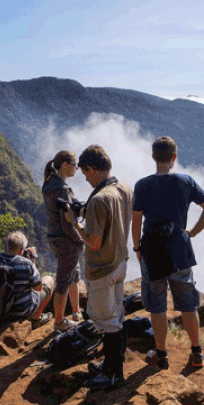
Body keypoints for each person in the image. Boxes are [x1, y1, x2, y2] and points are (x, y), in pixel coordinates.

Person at [132, 137, 204, 369]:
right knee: (188, 304)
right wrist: (193, 232)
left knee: (157, 306)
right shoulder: (186, 181)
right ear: (174, 158)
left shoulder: (142, 185)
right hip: (180, 249)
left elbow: (136, 220)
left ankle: (162, 356)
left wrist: (137, 248)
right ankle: (197, 353)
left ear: (153, 157)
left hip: (152, 250)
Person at [65, 145, 133, 390]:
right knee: (117, 318)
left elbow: (93, 242)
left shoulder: (100, 199)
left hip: (102, 268)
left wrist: (75, 223)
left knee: (108, 323)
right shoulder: (124, 189)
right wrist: (85, 209)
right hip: (120, 262)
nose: (85, 177)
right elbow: (114, 219)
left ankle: (113, 374)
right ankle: (109, 366)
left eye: (85, 173)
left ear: (92, 169)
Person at [42, 150, 85, 332]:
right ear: (66, 166)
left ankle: (75, 312)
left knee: (72, 273)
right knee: (63, 280)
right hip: (66, 238)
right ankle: (59, 323)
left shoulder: (49, 183)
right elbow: (67, 222)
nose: (77, 169)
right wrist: (80, 240)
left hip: (54, 236)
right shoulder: (62, 188)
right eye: (75, 165)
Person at [0, 231, 54, 327]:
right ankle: (36, 319)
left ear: (7, 245)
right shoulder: (26, 264)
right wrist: (32, 263)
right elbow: (38, 288)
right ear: (22, 250)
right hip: (20, 312)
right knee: (49, 279)